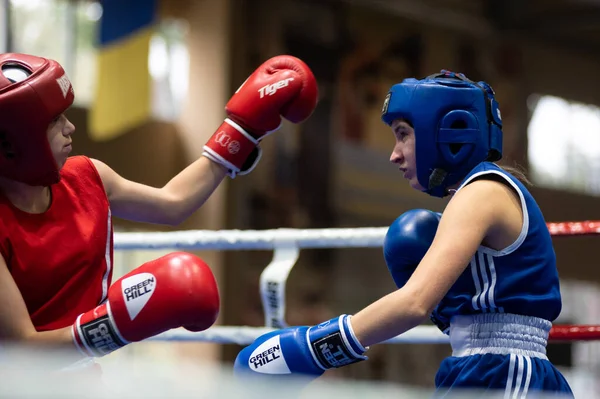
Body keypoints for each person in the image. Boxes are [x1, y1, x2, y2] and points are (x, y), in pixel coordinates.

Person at [234, 70, 574, 397]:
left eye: (403, 134)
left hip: (507, 371)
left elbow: (414, 303)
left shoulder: (483, 192)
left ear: (447, 130)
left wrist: (314, 348)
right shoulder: (474, 195)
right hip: (481, 365)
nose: (394, 154)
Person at [0, 52, 318, 372]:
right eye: (54, 120)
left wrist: (241, 128)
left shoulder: (87, 177)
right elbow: (21, 345)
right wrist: (115, 325)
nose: (70, 127)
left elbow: (173, 202)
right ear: (16, 140)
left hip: (82, 379)